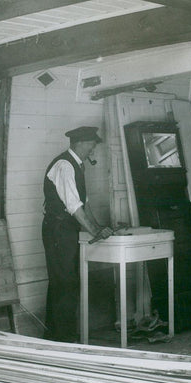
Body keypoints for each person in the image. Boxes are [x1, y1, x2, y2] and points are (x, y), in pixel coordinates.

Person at [42, 126, 112, 342]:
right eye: (92, 145)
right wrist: (94, 231)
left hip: (66, 230)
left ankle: (56, 336)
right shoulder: (65, 165)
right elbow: (73, 207)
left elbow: (84, 204)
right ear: (81, 143)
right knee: (65, 282)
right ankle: (63, 338)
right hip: (58, 230)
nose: (93, 149)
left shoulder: (78, 166)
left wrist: (98, 228)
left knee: (65, 281)